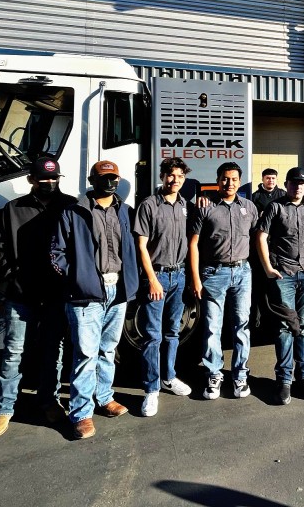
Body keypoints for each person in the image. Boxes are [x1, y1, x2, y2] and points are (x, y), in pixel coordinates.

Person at [0, 156, 77, 438]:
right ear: (31, 180)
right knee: (13, 353)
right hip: (21, 293)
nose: (48, 183)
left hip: (56, 294)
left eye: (53, 179)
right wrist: (10, 277)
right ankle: (4, 409)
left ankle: (49, 401)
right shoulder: (13, 209)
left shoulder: (70, 206)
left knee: (53, 352)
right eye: (42, 179)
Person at [51, 160, 139, 439]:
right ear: (92, 179)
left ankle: (104, 397)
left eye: (114, 177)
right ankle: (81, 413)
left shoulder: (125, 211)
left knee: (107, 349)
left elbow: (133, 249)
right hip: (86, 292)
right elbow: (57, 251)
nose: (110, 182)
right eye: (104, 177)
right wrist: (77, 278)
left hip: (117, 290)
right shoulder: (74, 210)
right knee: (85, 354)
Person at [256, 167, 304, 405]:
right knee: (285, 327)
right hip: (283, 274)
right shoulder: (275, 207)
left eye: (302, 184)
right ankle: (284, 380)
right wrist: (267, 268)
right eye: (294, 183)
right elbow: (261, 237)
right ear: (286, 185)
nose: (298, 187)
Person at [189, 161, 258, 400]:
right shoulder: (205, 206)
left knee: (242, 326)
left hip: (242, 273)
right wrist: (196, 278)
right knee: (211, 327)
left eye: (234, 179)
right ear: (218, 180)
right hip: (213, 274)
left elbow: (258, 239)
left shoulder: (249, 207)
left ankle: (240, 375)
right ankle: (214, 373)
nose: (229, 183)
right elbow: (193, 244)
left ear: (240, 181)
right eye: (225, 179)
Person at [134, 157, 195, 418]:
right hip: (157, 277)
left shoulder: (186, 206)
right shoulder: (149, 205)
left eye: (180, 176)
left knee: (172, 332)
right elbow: (141, 246)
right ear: (162, 176)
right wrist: (152, 278)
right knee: (152, 336)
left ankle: (169, 377)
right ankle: (151, 389)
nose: (175, 180)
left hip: (179, 275)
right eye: (171, 175)